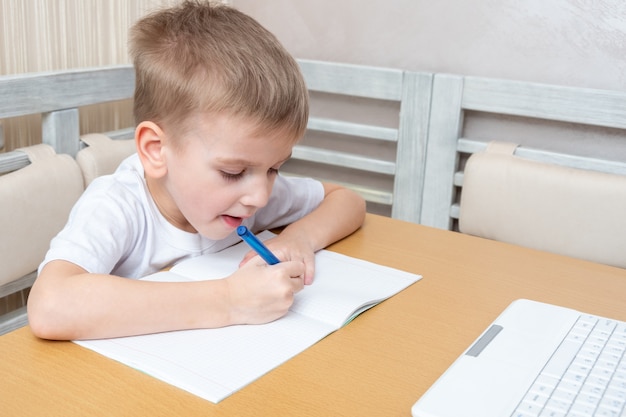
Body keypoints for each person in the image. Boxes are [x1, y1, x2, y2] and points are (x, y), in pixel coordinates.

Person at [27, 0, 366, 341]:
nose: (260, 196)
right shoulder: (117, 206)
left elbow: (347, 200)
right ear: (156, 151)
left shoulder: (247, 194)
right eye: (233, 172)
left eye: (275, 169)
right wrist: (231, 301)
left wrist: (298, 239)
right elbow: (50, 306)